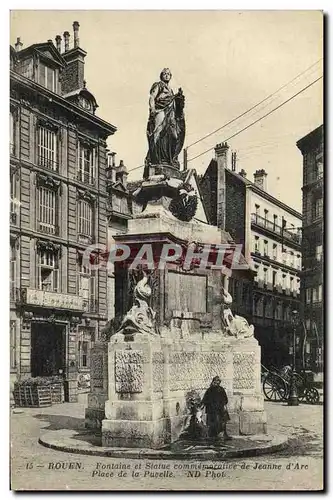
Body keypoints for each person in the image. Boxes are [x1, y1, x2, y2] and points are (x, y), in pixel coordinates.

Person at [144, 68, 185, 176]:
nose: (166, 76)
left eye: (168, 74)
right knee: (158, 132)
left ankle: (168, 159)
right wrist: (152, 109)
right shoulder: (158, 85)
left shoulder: (170, 90)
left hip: (170, 113)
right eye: (165, 74)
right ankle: (157, 158)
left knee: (174, 136)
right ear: (161, 75)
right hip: (160, 110)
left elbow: (175, 104)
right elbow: (152, 97)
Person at [201, 376, 231, 440]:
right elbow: (205, 399)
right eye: (215, 381)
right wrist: (203, 405)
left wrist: (224, 405)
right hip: (211, 410)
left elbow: (225, 399)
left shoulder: (221, 389)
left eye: (217, 382)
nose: (216, 383)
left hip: (219, 409)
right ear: (213, 382)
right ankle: (213, 435)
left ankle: (221, 435)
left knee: (221, 422)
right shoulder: (209, 390)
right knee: (212, 423)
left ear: (219, 383)